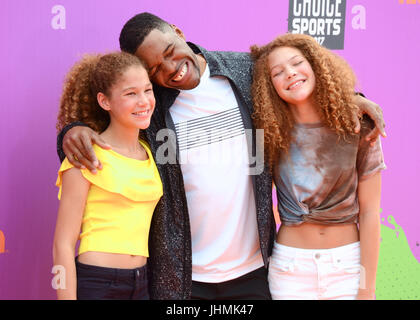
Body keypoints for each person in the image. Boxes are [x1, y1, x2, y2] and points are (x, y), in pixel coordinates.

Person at [56, 13, 386, 300]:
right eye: (156, 69)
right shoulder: (150, 106)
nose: (172, 69)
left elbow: (300, 86)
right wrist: (71, 130)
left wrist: (352, 98)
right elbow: (106, 120)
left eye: (171, 51)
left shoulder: (245, 71)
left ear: (178, 31)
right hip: (184, 279)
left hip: (254, 271)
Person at [250, 33, 386, 300]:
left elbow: (370, 213)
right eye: (277, 72)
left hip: (347, 268)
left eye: (297, 63)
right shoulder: (267, 132)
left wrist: (366, 290)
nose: (290, 73)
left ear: (316, 65)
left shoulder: (360, 125)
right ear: (269, 86)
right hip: (290, 270)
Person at [53, 51, 163, 300]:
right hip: (97, 283)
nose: (144, 101)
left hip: (143, 283)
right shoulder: (84, 155)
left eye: (147, 90)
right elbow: (62, 245)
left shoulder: (151, 152)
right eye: (130, 93)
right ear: (105, 101)